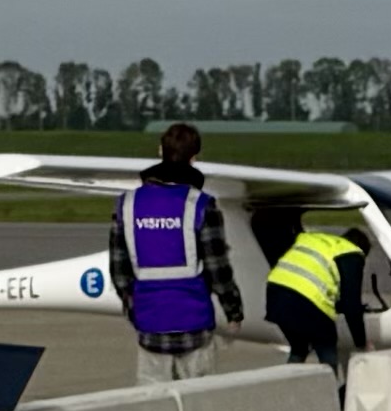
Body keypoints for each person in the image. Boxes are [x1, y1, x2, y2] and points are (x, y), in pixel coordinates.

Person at [112, 124, 239, 375]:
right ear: (194, 158)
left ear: (160, 151)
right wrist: (233, 310)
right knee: (199, 405)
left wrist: (132, 307)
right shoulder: (202, 205)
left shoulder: (127, 204)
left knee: (155, 406)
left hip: (150, 326)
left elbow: (119, 268)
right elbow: (217, 266)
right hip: (195, 325)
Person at [262, 204, 369, 379]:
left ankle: (286, 385)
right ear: (362, 250)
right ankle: (331, 393)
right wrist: (361, 343)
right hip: (306, 302)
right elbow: (352, 306)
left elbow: (317, 279)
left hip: (275, 295)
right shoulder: (352, 254)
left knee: (299, 348)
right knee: (326, 348)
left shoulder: (317, 241)